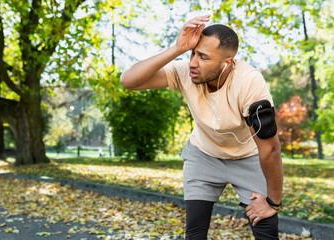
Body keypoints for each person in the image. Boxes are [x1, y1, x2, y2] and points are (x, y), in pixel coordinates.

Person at [120, 15, 283, 240]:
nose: (193, 63)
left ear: (227, 63)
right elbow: (128, 81)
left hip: (248, 158)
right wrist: (177, 48)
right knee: (194, 233)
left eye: (203, 57)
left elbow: (270, 149)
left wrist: (273, 202)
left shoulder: (249, 82)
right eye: (192, 54)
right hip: (204, 155)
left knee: (266, 232)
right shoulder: (185, 72)